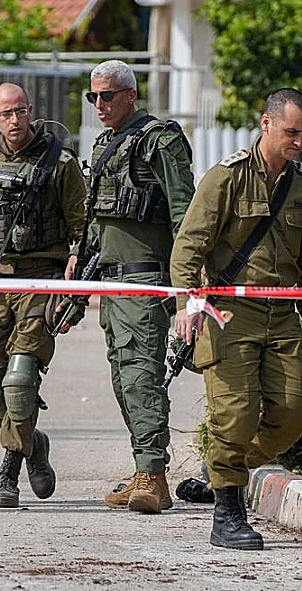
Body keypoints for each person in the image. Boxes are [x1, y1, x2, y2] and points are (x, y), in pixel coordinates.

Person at [171, 88, 302, 550]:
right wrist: (187, 304)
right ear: (265, 124)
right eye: (290, 132)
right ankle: (227, 514)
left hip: (282, 318)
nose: (298, 141)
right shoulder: (226, 178)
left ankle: (220, 469)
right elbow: (189, 246)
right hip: (228, 314)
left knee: (292, 415)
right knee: (234, 415)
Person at [0, 83, 87, 508]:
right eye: (6, 114)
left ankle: (7, 471)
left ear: (31, 112)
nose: (15, 120)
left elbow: (83, 228)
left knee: (20, 382)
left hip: (39, 282)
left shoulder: (60, 163)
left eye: (21, 111)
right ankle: (34, 442)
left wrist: (74, 280)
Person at [79, 60, 195, 514]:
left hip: (146, 278)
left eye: (108, 96)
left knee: (141, 376)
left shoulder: (159, 141)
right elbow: (97, 215)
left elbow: (186, 213)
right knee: (123, 378)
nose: (100, 105)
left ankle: (154, 476)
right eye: (94, 98)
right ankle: (145, 468)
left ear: (131, 94)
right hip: (111, 279)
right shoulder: (106, 143)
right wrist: (80, 259)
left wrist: (188, 287)